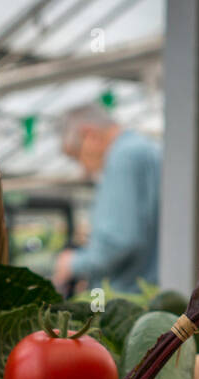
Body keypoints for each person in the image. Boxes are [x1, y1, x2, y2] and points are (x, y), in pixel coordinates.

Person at [52, 105, 160, 294]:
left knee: (93, 316)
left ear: (90, 135)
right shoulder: (147, 150)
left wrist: (72, 263)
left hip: (125, 301)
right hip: (150, 295)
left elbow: (119, 241)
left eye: (77, 156)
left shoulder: (123, 157)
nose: (83, 170)